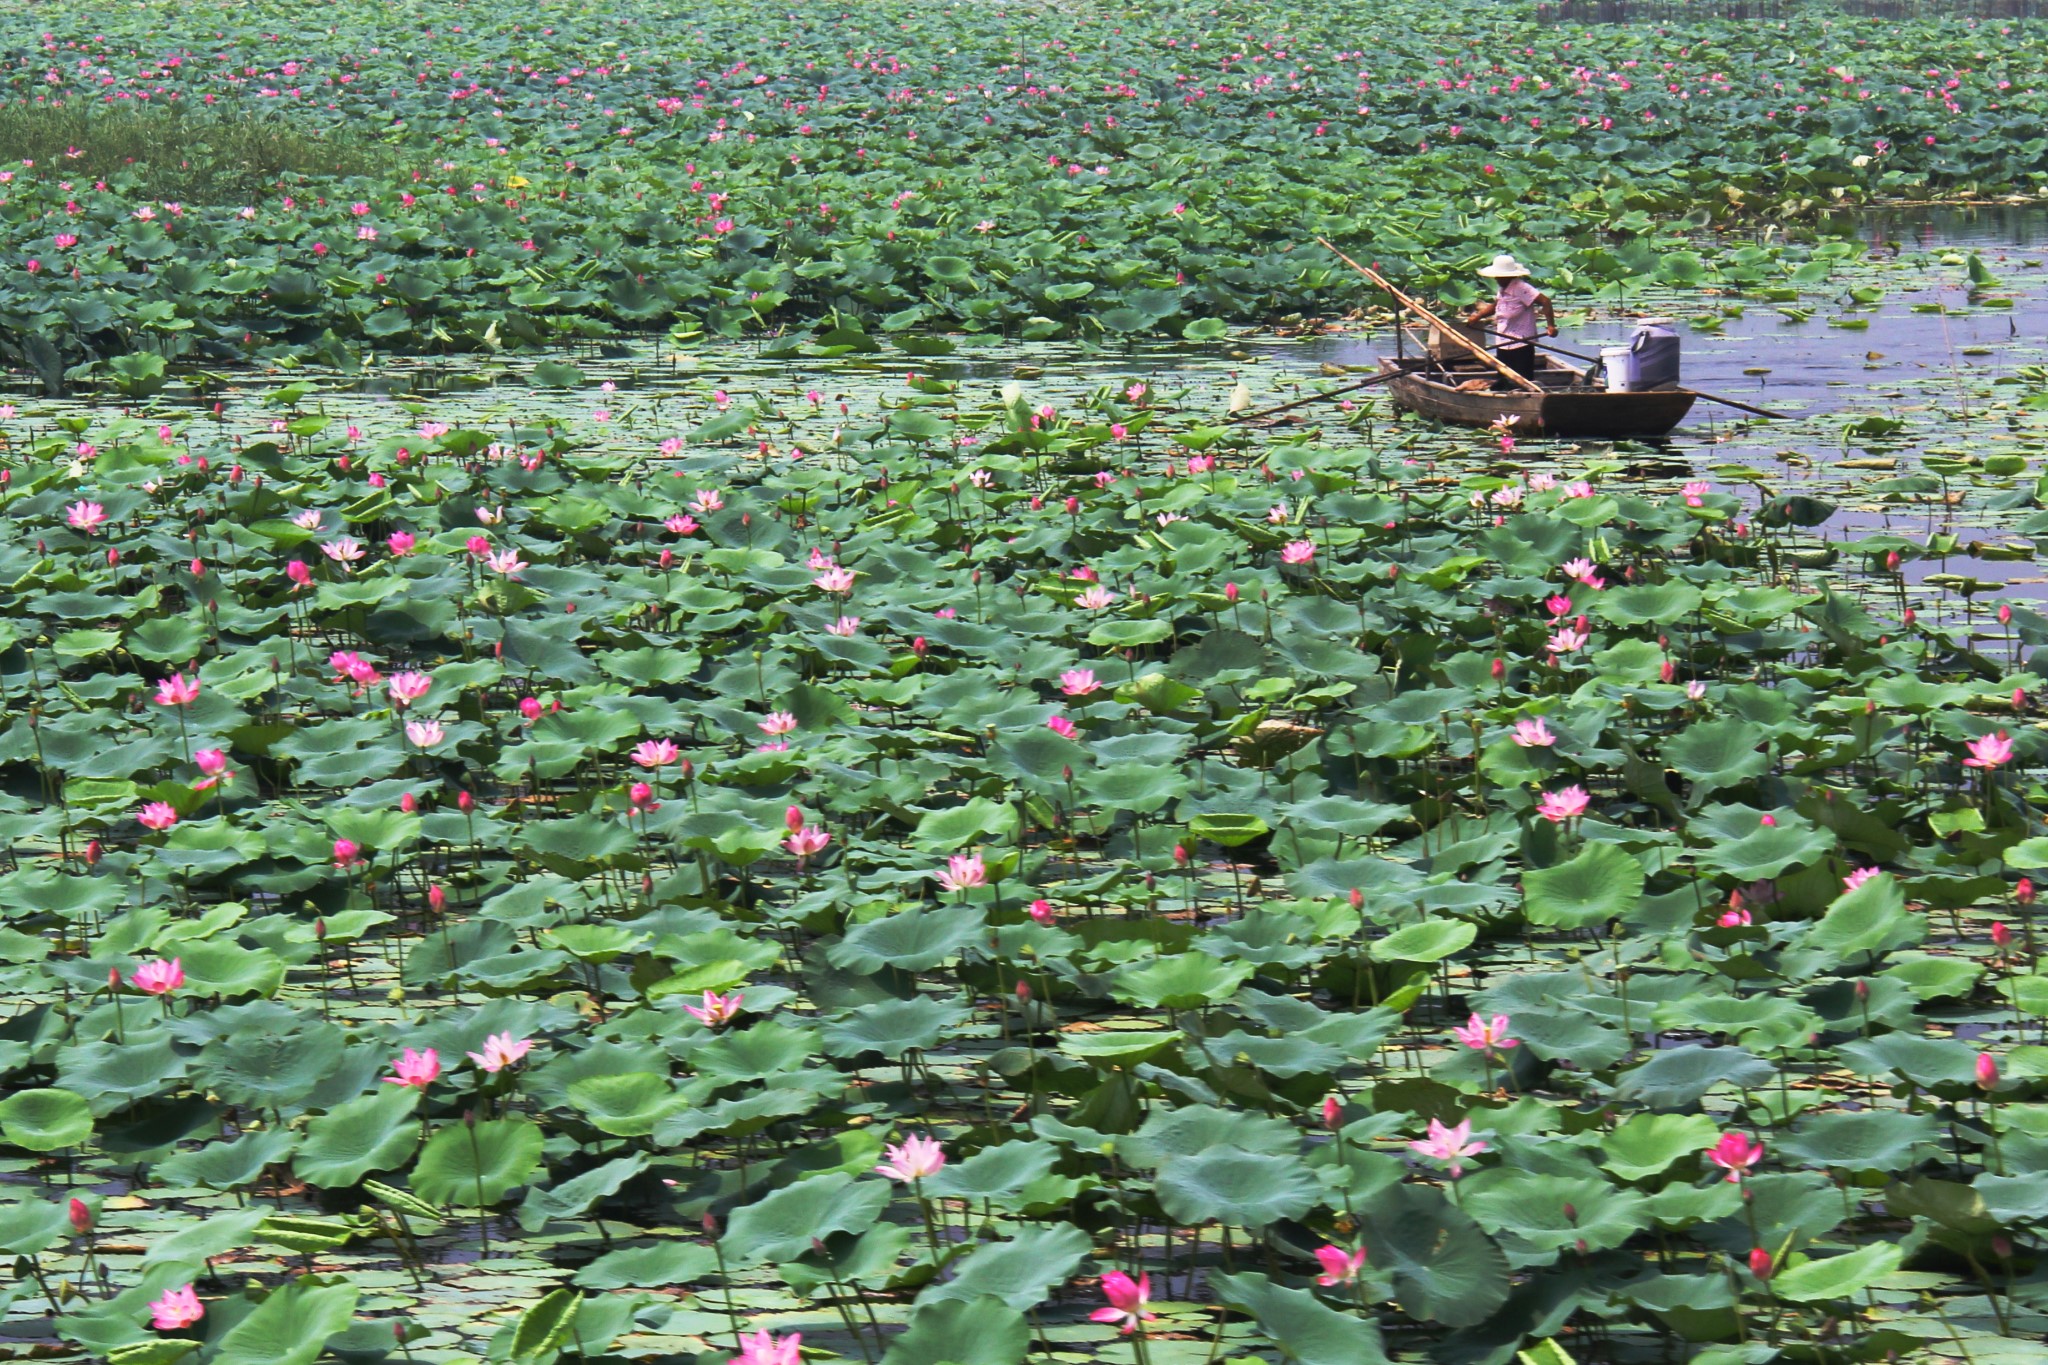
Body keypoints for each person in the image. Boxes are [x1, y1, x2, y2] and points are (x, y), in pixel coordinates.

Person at [1464, 254, 1556, 387]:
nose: (1496, 278)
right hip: (1503, 340)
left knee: (1523, 382)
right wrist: (1477, 317)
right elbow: (1496, 306)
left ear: (1508, 276)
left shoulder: (1521, 287)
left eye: (1499, 276)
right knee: (1504, 380)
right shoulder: (1502, 289)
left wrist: (1551, 326)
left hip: (1521, 343)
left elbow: (1545, 301)